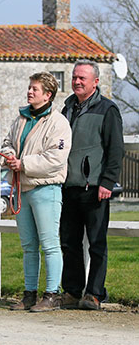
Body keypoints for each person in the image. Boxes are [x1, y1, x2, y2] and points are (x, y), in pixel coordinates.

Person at [0, 72, 72, 312]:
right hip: (23, 189)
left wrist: (24, 164)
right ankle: (29, 293)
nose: (30, 92)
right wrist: (9, 155)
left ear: (47, 95)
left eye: (35, 89)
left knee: (50, 243)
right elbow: (7, 142)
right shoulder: (20, 119)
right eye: (29, 88)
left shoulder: (58, 123)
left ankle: (52, 294)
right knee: (29, 245)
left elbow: (56, 158)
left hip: (45, 188)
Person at [59, 59, 124, 310]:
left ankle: (95, 294)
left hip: (95, 187)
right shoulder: (66, 109)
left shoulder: (108, 109)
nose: (76, 81)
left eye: (82, 78)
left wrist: (107, 181)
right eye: (75, 77)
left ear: (95, 82)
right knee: (69, 242)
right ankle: (73, 292)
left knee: (97, 243)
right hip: (68, 187)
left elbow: (115, 149)